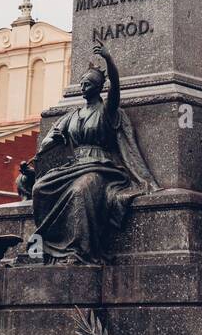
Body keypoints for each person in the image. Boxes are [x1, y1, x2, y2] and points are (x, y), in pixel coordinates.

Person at [31, 43, 155, 264]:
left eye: (87, 84)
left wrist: (110, 61)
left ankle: (78, 249)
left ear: (98, 88)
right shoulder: (72, 115)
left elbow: (116, 88)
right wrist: (54, 141)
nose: (82, 88)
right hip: (73, 165)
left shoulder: (107, 111)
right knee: (40, 188)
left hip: (100, 167)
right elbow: (49, 141)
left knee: (80, 191)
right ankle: (45, 245)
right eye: (81, 84)